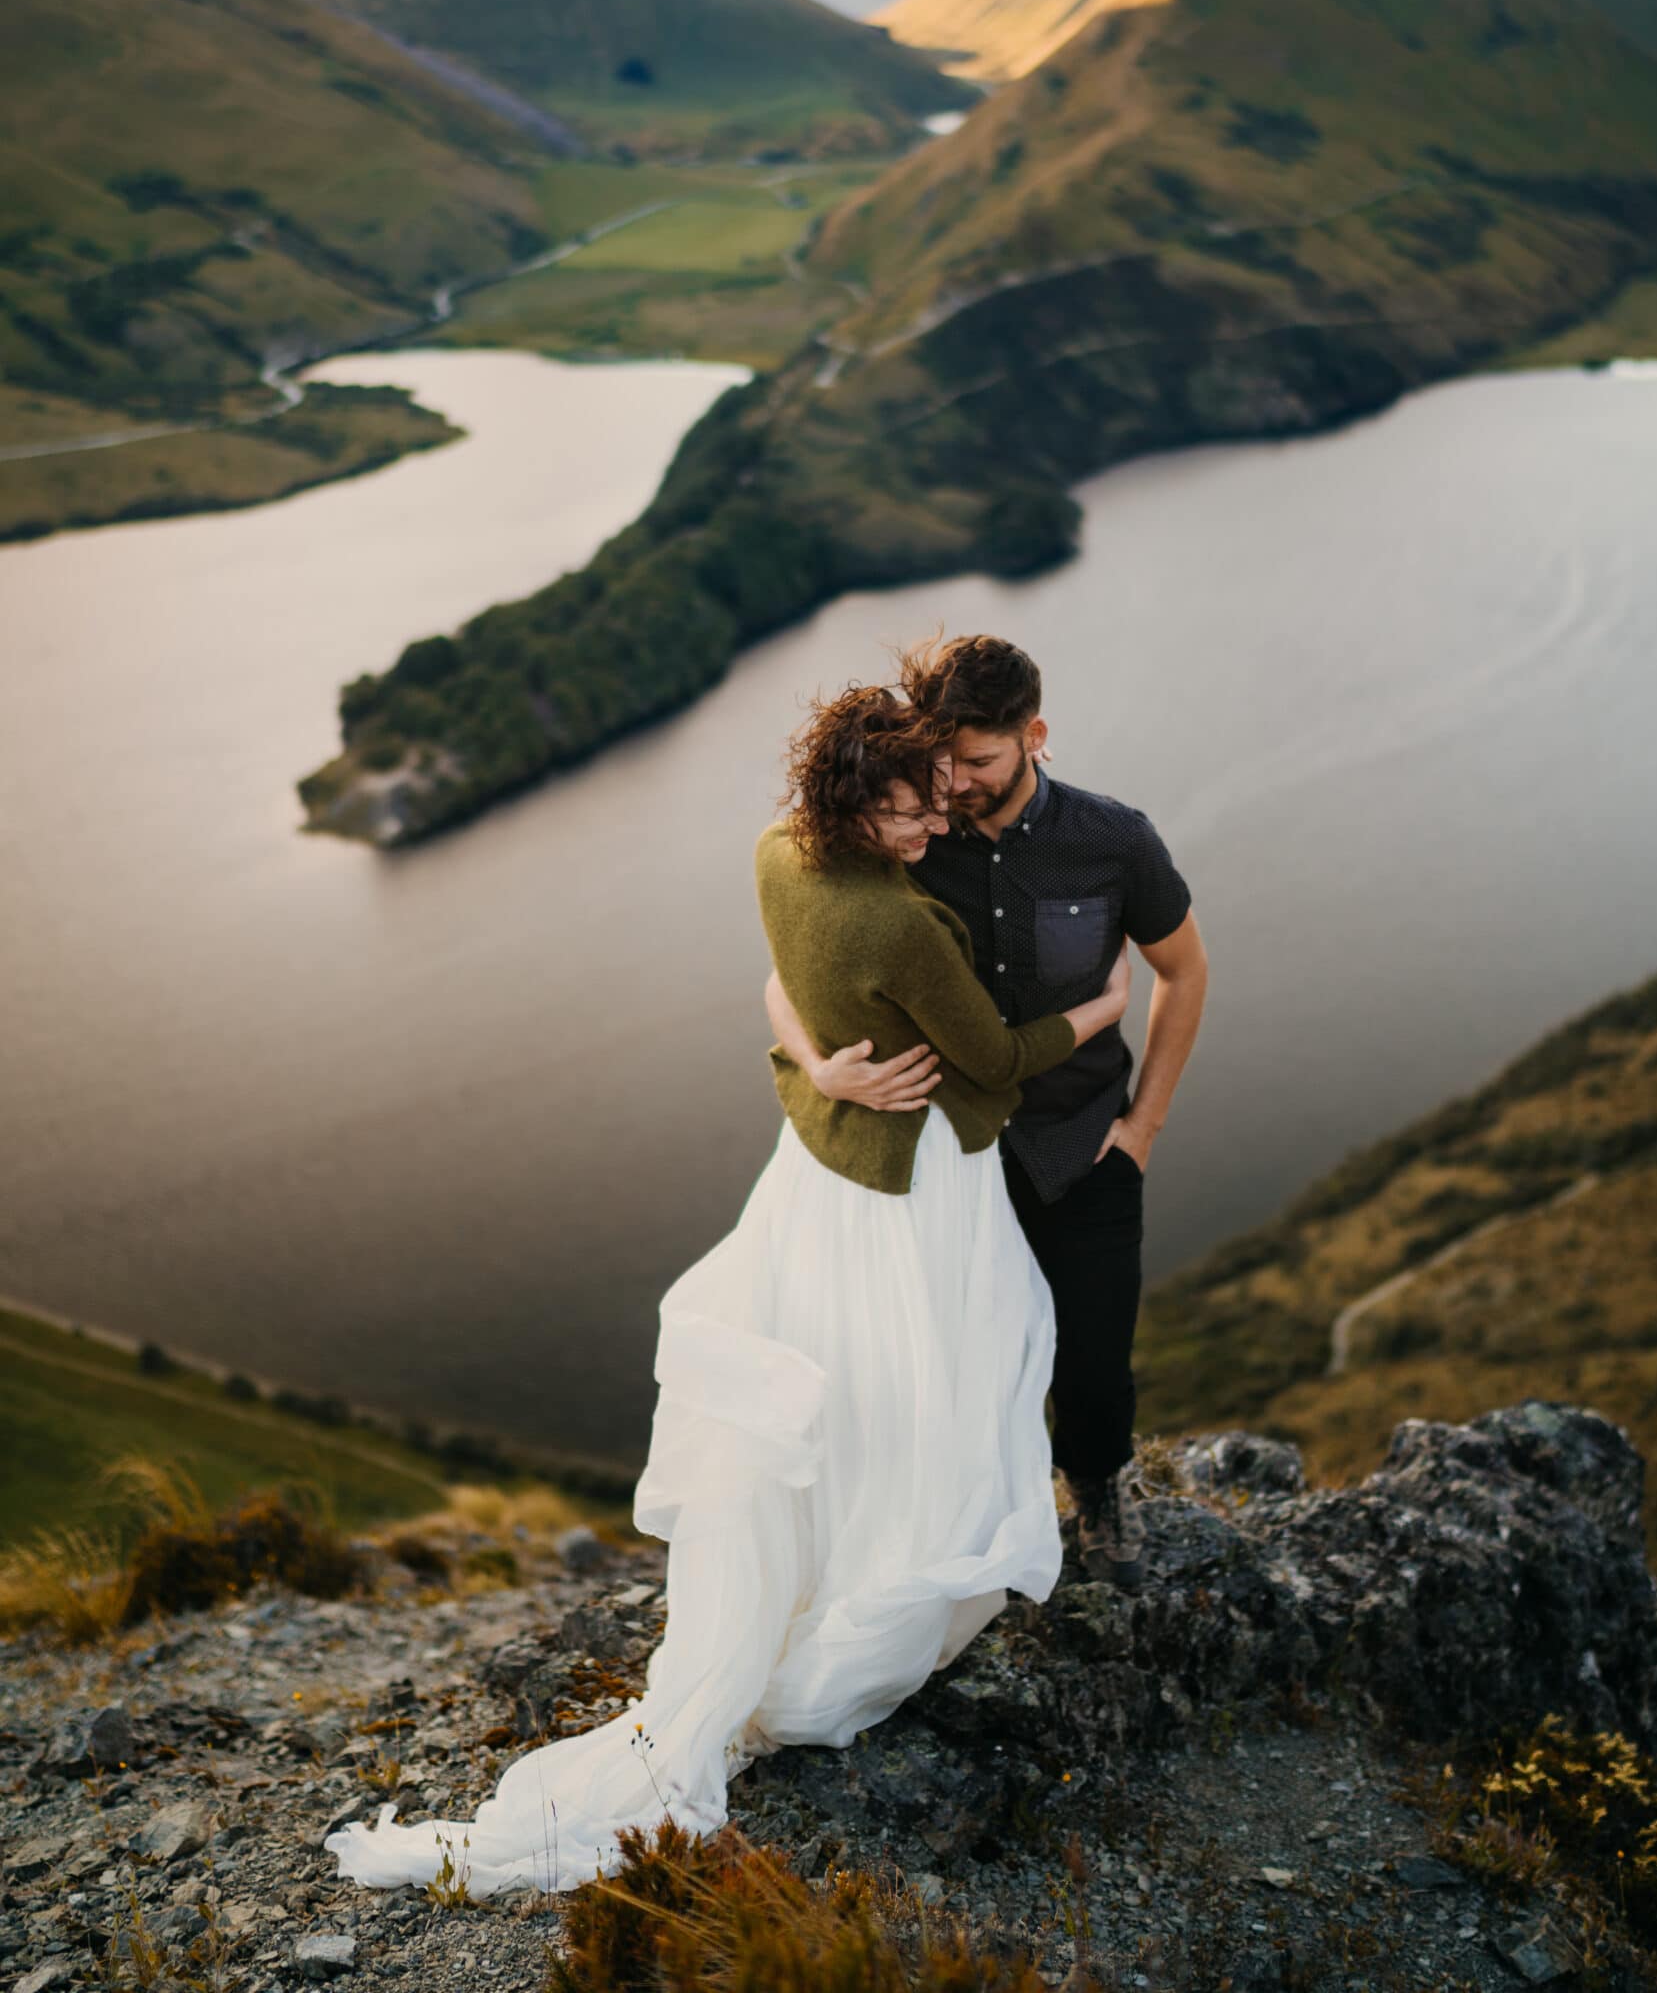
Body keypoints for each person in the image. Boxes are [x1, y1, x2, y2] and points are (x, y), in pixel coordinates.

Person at [323, 681, 1131, 1900]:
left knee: (843, 1373)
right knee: (949, 1360)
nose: (932, 824)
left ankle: (833, 1557)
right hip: (919, 1183)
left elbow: (781, 993)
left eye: (935, 801)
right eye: (910, 810)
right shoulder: (903, 924)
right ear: (855, 803)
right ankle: (887, 1568)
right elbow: (996, 1059)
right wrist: (1102, 1008)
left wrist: (818, 1070)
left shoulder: (776, 852)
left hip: (821, 1174)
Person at [767, 634, 1207, 1591]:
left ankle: (1096, 1494)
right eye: (943, 762)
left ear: (1032, 737)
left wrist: (1141, 1130)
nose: (955, 785)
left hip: (1082, 1146)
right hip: (950, 1163)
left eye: (977, 761)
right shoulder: (901, 833)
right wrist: (819, 1070)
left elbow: (1183, 973)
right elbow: (793, 968)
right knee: (952, 1364)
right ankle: (969, 1529)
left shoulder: (1113, 839)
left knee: (1093, 1358)